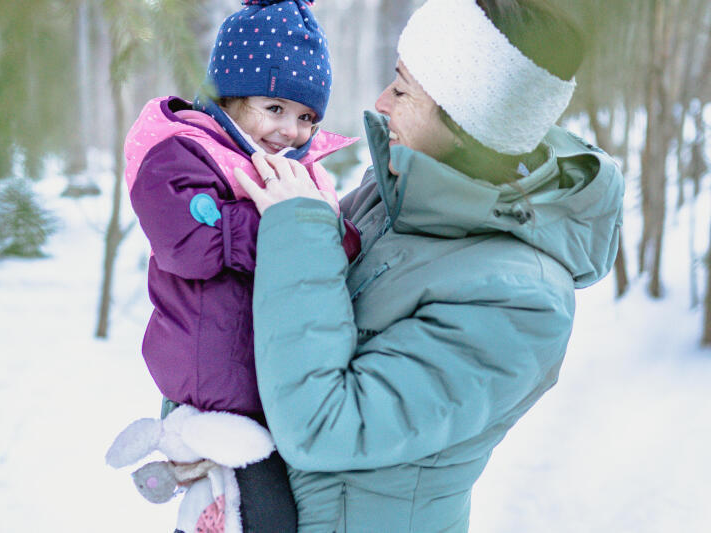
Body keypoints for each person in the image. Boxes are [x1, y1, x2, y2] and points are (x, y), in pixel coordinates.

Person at [233, 0, 625, 531]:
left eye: (402, 89)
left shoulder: (521, 301)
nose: (380, 101)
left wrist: (298, 227)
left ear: (467, 120)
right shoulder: (396, 192)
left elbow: (323, 426)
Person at [122, 1, 359, 531]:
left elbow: (338, 247)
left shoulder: (296, 171)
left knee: (238, 504)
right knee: (263, 511)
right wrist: (288, 224)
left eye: (306, 117)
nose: (291, 131)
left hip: (270, 380)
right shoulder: (181, 151)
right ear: (229, 95)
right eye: (274, 108)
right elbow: (188, 243)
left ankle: (191, 483)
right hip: (217, 382)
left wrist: (319, 230)